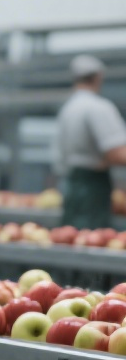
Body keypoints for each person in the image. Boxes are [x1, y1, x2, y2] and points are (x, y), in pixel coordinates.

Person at [55, 55, 126, 229]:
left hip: (72, 184)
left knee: (72, 236)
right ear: (98, 77)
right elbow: (116, 153)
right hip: (93, 187)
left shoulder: (68, 109)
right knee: (92, 236)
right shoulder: (98, 108)